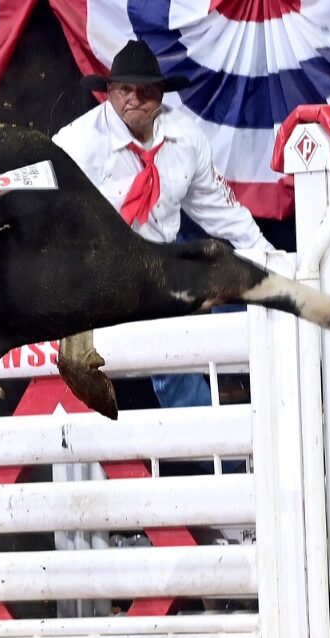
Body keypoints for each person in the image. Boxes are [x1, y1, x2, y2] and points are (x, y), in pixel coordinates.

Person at [52, 40, 276, 409]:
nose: (134, 99)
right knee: (169, 354)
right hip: (96, 275)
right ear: (108, 92)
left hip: (161, 267)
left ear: (160, 96)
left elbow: (222, 210)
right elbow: (37, 206)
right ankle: (219, 446)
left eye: (145, 90)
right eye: (125, 89)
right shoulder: (76, 143)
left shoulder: (185, 139)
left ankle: (268, 409)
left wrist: (269, 260)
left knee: (257, 298)